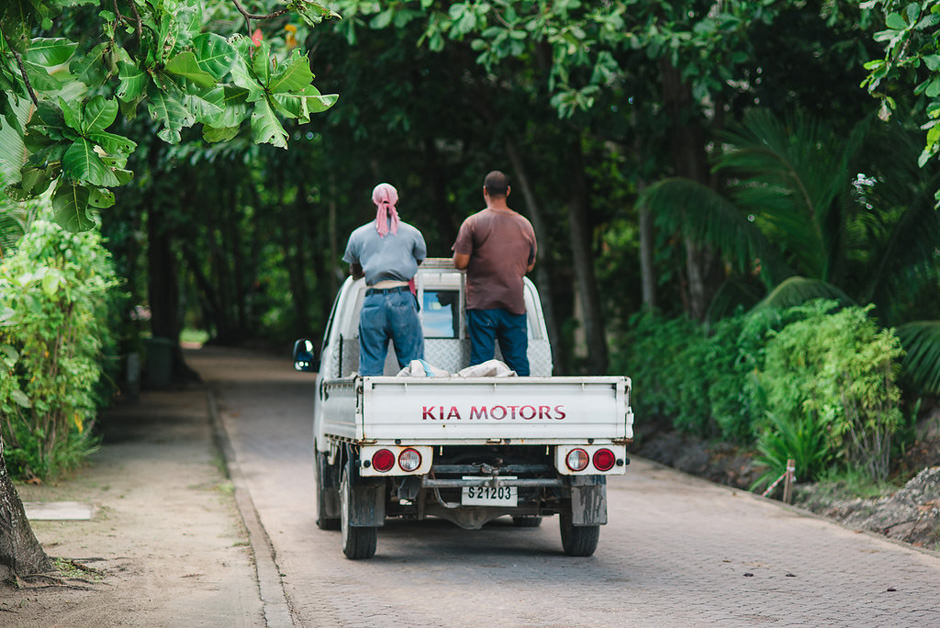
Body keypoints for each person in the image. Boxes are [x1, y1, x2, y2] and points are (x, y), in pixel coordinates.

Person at [453, 170, 537, 376]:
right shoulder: (525, 225)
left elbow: (460, 262)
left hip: (483, 303)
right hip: (514, 303)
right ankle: (522, 402)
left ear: (484, 191)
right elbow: (529, 266)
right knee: (517, 360)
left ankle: (482, 406)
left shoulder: (473, 223)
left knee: (482, 362)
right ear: (508, 191)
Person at [343, 183, 427, 376]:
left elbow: (355, 272)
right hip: (403, 300)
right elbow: (419, 259)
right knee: (413, 365)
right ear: (396, 200)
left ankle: (371, 403)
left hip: (373, 301)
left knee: (370, 366)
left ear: (374, 202)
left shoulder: (358, 235)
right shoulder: (413, 233)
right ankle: (414, 404)